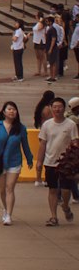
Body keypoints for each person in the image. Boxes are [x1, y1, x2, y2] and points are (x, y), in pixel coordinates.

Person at [0, 100, 34, 225]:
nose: (12, 111)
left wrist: (29, 159)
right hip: (0, 162)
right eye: (9, 109)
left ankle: (8, 215)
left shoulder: (21, 128)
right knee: (2, 190)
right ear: (4, 112)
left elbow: (25, 145)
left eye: (14, 109)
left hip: (14, 162)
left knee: (9, 188)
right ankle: (5, 209)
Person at [36, 95, 78, 226]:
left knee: (66, 190)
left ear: (64, 108)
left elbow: (75, 142)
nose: (57, 109)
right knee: (52, 189)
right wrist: (39, 161)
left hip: (66, 163)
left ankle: (65, 206)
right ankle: (53, 217)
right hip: (50, 161)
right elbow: (42, 144)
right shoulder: (47, 125)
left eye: (59, 107)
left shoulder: (71, 125)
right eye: (54, 107)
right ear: (51, 109)